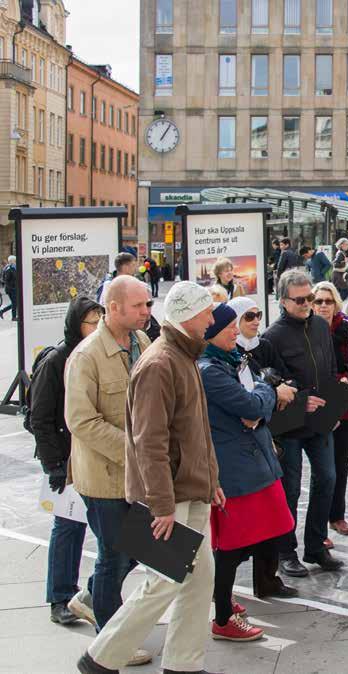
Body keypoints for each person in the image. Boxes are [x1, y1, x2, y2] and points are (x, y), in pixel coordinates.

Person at [76, 281, 223, 674]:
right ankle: (100, 658)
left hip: (189, 489)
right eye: (207, 312)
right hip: (170, 496)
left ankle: (183, 663)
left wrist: (212, 481)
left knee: (198, 578)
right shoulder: (161, 363)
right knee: (163, 582)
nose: (212, 319)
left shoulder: (182, 354)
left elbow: (194, 431)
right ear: (189, 316)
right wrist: (160, 505)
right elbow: (149, 442)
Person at [65, 278, 153, 665]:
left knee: (142, 549)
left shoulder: (143, 343)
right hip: (105, 477)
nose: (147, 311)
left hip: (141, 474)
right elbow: (81, 421)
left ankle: (90, 597)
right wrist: (133, 452)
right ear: (113, 308)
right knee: (114, 556)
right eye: (138, 306)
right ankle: (108, 643)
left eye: (148, 304)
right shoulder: (86, 357)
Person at [199, 303, 296, 643]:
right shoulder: (210, 369)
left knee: (271, 529)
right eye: (230, 327)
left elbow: (254, 407)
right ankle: (222, 615)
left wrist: (260, 396)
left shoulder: (228, 360)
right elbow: (251, 406)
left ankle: (219, 594)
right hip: (235, 469)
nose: (236, 331)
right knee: (232, 543)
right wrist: (269, 389)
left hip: (253, 461)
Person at [263, 269, 344, 575]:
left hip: (320, 419)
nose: (307, 304)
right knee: (291, 489)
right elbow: (271, 383)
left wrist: (333, 409)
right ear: (283, 301)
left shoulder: (321, 327)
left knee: (327, 478)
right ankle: (286, 551)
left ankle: (315, 546)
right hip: (290, 424)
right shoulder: (272, 336)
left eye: (309, 297)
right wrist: (300, 400)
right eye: (300, 300)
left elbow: (330, 370)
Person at [30, 297, 103, 626]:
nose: (96, 328)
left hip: (91, 453)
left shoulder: (97, 353)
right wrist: (54, 464)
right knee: (69, 526)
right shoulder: (58, 359)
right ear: (76, 324)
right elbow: (40, 418)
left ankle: (88, 594)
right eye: (91, 322)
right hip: (65, 457)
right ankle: (60, 596)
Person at [311, 281, 348, 538]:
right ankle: (318, 528)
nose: (323, 305)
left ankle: (337, 515)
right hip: (319, 405)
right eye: (318, 301)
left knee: (341, 463)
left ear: (336, 302)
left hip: (346, 404)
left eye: (328, 301)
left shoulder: (347, 325)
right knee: (323, 470)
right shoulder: (307, 328)